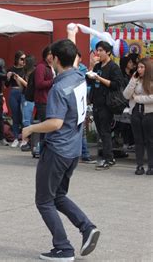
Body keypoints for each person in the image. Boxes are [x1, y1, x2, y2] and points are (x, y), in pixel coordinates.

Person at [22, 36, 100, 261]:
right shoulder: (78, 76)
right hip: (74, 149)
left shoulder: (59, 88)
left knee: (44, 200)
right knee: (59, 195)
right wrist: (72, 35)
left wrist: (31, 129)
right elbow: (74, 59)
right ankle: (87, 227)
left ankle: (63, 248)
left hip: (57, 150)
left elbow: (55, 123)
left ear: (55, 59)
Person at [87, 41, 123, 170]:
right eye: (97, 50)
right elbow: (89, 81)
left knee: (106, 131)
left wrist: (99, 79)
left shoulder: (114, 67)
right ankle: (109, 157)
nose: (98, 53)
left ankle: (108, 158)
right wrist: (91, 67)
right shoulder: (98, 66)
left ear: (108, 52)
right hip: (96, 102)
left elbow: (116, 85)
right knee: (101, 132)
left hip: (107, 104)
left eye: (101, 50)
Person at [123, 58, 153, 175]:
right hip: (135, 112)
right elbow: (126, 95)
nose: (139, 70)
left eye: (142, 67)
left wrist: (138, 98)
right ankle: (139, 165)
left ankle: (151, 166)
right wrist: (133, 81)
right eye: (138, 67)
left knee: (150, 140)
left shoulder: (151, 80)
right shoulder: (135, 79)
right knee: (138, 140)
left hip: (149, 113)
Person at [5, 50, 26, 148]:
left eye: (24, 59)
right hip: (13, 92)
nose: (23, 61)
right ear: (17, 59)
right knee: (15, 115)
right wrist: (8, 78)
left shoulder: (26, 69)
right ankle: (16, 138)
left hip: (23, 92)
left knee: (23, 116)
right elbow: (6, 85)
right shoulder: (11, 69)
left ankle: (24, 138)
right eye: (22, 59)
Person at [20, 55, 36, 151]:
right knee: (25, 119)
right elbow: (23, 88)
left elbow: (30, 86)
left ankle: (27, 141)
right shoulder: (25, 72)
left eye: (24, 61)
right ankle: (28, 141)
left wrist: (21, 80)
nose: (22, 63)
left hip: (30, 98)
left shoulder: (33, 73)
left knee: (27, 120)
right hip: (24, 96)